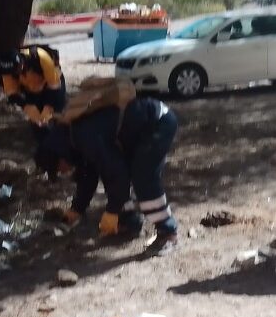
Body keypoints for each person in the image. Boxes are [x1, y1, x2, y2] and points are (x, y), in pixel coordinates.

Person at [34, 82, 180, 255]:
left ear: (59, 156)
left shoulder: (84, 137)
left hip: (157, 123)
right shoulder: (72, 141)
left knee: (143, 177)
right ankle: (129, 221)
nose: (62, 173)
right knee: (113, 174)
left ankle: (168, 233)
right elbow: (88, 177)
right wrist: (76, 210)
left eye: (58, 169)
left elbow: (117, 175)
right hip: (138, 131)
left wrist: (111, 211)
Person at [0, 45, 66, 127]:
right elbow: (12, 93)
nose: (14, 74)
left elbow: (54, 85)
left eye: (16, 71)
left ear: (21, 64)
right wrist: (26, 106)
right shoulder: (7, 70)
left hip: (53, 84)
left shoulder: (41, 57)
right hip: (31, 89)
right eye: (12, 72)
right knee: (37, 122)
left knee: (57, 112)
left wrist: (48, 106)